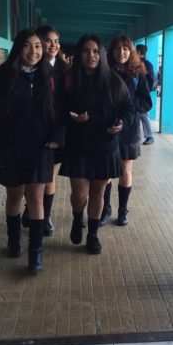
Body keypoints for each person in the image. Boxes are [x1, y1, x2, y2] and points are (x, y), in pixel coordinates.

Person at [0, 28, 63, 274]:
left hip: (41, 147)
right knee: (14, 195)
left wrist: (56, 137)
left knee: (36, 198)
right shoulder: (3, 75)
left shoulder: (49, 75)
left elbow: (59, 111)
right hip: (12, 146)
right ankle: (14, 240)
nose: (34, 51)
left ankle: (35, 253)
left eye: (38, 46)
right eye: (28, 45)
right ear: (19, 48)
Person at [59, 35, 132, 254]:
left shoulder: (114, 81)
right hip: (78, 145)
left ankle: (92, 235)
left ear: (101, 54)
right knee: (80, 194)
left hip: (106, 146)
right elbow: (57, 108)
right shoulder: (69, 79)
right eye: (85, 51)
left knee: (98, 193)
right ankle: (77, 218)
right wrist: (71, 117)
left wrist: (122, 123)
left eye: (95, 51)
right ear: (79, 54)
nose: (90, 55)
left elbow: (128, 109)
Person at [21, 25, 71, 236]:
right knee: (30, 177)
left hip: (54, 131)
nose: (53, 45)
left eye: (56, 41)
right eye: (48, 41)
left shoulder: (64, 70)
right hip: (31, 133)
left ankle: (45, 217)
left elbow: (65, 104)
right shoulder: (30, 67)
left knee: (49, 176)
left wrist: (59, 134)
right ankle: (30, 207)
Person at [100, 35, 152, 227]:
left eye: (125, 49)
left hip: (129, 129)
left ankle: (122, 210)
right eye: (117, 49)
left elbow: (146, 102)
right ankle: (105, 209)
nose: (121, 52)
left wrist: (128, 106)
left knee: (125, 170)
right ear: (111, 52)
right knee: (106, 172)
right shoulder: (104, 72)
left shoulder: (138, 73)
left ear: (131, 51)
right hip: (108, 127)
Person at [136, 44, 156, 145]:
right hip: (137, 93)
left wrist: (146, 90)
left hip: (142, 93)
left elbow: (151, 78)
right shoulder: (138, 62)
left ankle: (149, 136)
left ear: (139, 51)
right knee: (139, 114)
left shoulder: (146, 64)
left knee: (143, 114)